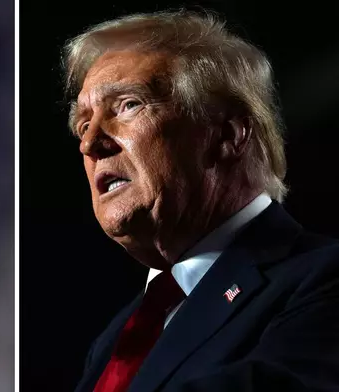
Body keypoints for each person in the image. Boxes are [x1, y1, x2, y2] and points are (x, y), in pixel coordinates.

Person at [64, 10, 339, 392]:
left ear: (228, 134)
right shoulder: (116, 337)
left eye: (128, 105)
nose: (90, 143)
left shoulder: (323, 279)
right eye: (83, 123)